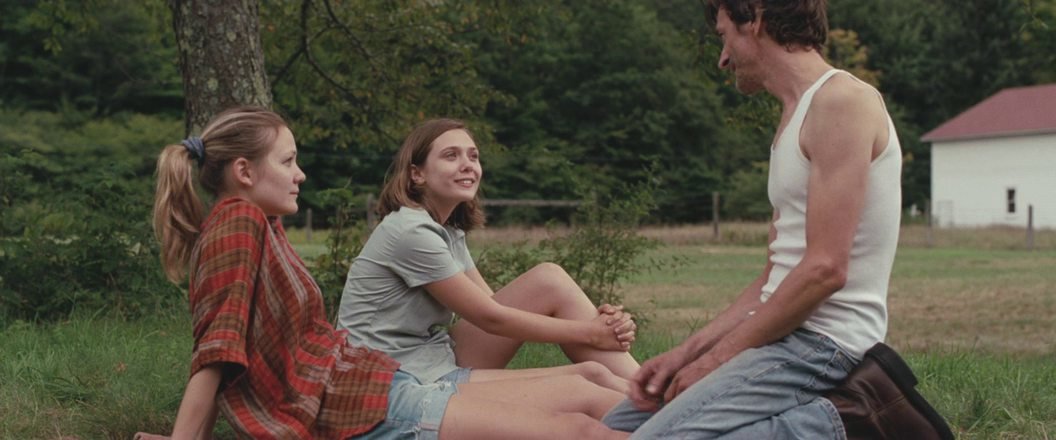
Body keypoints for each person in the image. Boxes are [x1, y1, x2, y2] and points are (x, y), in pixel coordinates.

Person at [138, 106, 630, 439]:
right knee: (579, 427)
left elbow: (229, 350)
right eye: (288, 161)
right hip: (364, 403)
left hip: (372, 385)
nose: (300, 173)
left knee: (587, 385)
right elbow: (217, 353)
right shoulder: (238, 225)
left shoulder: (261, 225)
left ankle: (670, 401)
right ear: (245, 172)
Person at [602, 0, 905, 437]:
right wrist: (686, 353)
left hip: (823, 343)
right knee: (617, 427)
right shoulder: (794, 118)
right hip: (781, 334)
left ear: (756, 20)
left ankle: (839, 425)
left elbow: (824, 270)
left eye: (724, 36)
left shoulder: (842, 101)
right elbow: (771, 278)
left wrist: (716, 360)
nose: (722, 58)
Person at [336, 118, 640, 396]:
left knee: (549, 281)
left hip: (428, 356)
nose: (468, 165)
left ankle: (651, 391)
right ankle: (652, 398)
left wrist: (601, 324)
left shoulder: (446, 231)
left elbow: (494, 306)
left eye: (473, 156)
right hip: (390, 375)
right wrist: (591, 332)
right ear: (417, 174)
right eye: (451, 156)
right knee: (589, 379)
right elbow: (491, 318)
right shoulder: (410, 231)